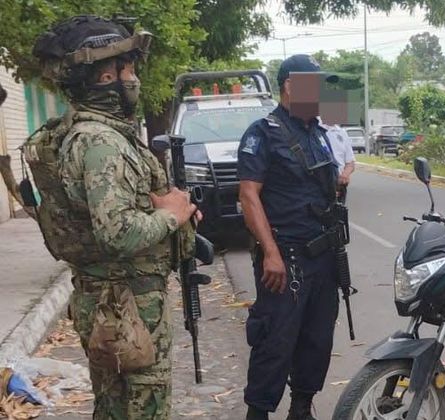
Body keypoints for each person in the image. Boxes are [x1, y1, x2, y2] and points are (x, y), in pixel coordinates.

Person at [27, 15, 197, 418]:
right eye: (129, 69)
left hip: (110, 301)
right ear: (107, 77)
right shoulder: (102, 141)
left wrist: (169, 212)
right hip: (129, 306)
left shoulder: (89, 132)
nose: (134, 78)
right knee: (142, 408)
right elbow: (117, 232)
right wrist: (172, 217)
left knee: (115, 407)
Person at [238, 54, 342, 420]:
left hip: (324, 257)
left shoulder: (319, 133)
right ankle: (259, 411)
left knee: (317, 339)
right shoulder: (262, 132)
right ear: (290, 87)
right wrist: (270, 252)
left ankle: (301, 407)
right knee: (276, 339)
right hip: (286, 257)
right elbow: (249, 195)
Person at [320, 122, 356, 188]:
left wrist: (345, 175)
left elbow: (350, 163)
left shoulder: (342, 133)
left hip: (338, 185)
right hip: (320, 185)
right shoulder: (315, 130)